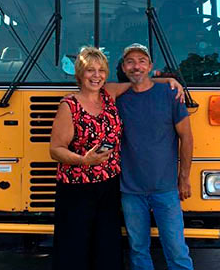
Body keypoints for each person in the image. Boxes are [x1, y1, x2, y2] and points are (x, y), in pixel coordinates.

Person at [49, 47, 183, 270]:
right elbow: (55, 149)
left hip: (109, 186)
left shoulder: (108, 94)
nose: (96, 75)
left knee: (107, 247)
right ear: (80, 74)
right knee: (74, 249)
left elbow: (138, 82)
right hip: (77, 189)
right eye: (90, 70)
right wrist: (84, 160)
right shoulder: (69, 106)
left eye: (101, 70)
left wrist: (168, 80)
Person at [116, 43, 194, 270]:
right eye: (130, 62)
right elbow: (89, 86)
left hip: (166, 189)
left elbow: (186, 138)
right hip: (130, 190)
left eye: (141, 61)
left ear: (150, 65)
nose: (136, 66)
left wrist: (184, 177)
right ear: (123, 67)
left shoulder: (170, 94)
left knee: (177, 250)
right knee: (138, 250)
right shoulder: (118, 98)